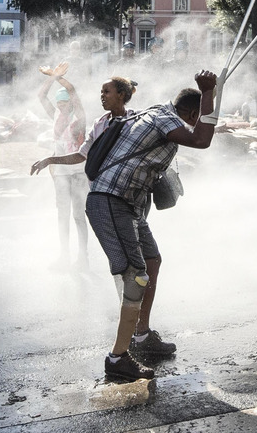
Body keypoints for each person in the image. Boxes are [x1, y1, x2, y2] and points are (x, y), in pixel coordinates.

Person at [32, 72, 221, 381]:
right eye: (196, 117)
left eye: (107, 91)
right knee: (136, 278)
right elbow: (202, 139)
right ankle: (118, 357)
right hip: (111, 201)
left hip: (126, 203)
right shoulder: (160, 120)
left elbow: (199, 130)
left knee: (151, 261)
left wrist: (209, 100)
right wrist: (209, 92)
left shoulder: (152, 113)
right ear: (190, 114)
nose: (102, 95)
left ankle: (143, 336)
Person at [36, 60, 90, 270]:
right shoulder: (56, 114)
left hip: (78, 171)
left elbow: (72, 90)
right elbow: (41, 96)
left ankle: (83, 257)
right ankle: (64, 256)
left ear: (71, 103)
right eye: (59, 103)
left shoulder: (80, 117)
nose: (61, 106)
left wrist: (56, 76)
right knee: (62, 215)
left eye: (65, 102)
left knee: (78, 215)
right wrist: (50, 78)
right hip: (60, 172)